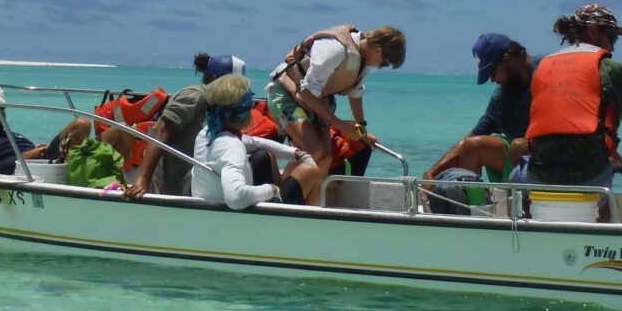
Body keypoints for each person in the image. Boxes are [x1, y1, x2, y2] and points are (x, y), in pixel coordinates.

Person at [511, 4, 622, 189]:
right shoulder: (611, 68)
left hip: (539, 177)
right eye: (612, 37)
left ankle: (523, 214)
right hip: (591, 178)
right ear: (593, 31)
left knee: (515, 176)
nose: (613, 45)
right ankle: (603, 216)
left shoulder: (541, 68)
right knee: (606, 177)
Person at [266, 24, 406, 205]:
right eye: (384, 63)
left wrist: (361, 131)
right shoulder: (335, 49)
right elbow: (307, 91)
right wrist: (340, 124)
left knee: (325, 159)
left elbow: (355, 93)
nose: (381, 67)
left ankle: (303, 204)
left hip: (315, 103)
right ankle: (279, 200)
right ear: (379, 51)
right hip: (286, 94)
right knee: (315, 152)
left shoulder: (362, 60)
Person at [124, 53, 246, 198]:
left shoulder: (223, 106)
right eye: (235, 84)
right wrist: (143, 179)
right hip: (174, 187)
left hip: (200, 185)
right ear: (215, 80)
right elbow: (161, 132)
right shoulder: (195, 96)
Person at [423, 34, 538, 183]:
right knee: (472, 146)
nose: (493, 80)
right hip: (517, 157)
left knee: (519, 147)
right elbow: (474, 135)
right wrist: (433, 173)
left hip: (550, 152)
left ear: (506, 61)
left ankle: (517, 203)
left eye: (491, 73)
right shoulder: (502, 96)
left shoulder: (546, 72)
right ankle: (476, 205)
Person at [191, 75, 313, 209]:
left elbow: (254, 142)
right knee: (311, 171)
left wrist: (294, 153)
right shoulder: (232, 147)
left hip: (205, 207)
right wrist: (271, 189)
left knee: (262, 154)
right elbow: (236, 197)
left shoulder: (206, 134)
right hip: (231, 217)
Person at [0, 84, 89, 175]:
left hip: (42, 160)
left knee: (89, 127)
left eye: (0, 107)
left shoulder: (15, 135)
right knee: (80, 125)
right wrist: (27, 156)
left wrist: (36, 149)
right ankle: (81, 179)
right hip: (28, 170)